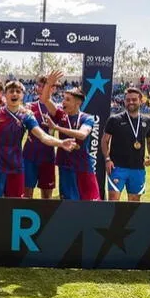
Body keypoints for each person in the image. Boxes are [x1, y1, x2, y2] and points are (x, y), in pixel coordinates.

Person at [0, 79, 75, 198]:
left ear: (23, 95)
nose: (14, 94)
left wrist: (61, 143)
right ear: (5, 95)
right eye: (11, 91)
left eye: (18, 91)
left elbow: (42, 136)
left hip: (15, 168)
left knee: (14, 205)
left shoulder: (26, 116)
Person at [40, 71, 100, 201]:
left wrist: (56, 128)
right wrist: (49, 84)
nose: (63, 102)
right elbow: (45, 100)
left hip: (83, 165)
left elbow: (82, 135)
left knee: (90, 201)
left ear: (77, 103)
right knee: (68, 201)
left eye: (67, 99)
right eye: (63, 99)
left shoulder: (87, 118)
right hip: (65, 164)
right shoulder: (60, 114)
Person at [102, 87, 150, 201]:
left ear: (141, 101)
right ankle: (115, 220)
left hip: (138, 168)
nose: (131, 102)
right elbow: (104, 141)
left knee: (134, 203)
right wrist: (107, 159)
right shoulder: (114, 119)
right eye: (128, 99)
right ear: (124, 101)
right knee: (113, 201)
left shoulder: (148, 121)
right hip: (117, 167)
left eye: (134, 99)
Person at [23, 75, 58, 199]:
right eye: (39, 85)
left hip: (47, 156)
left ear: (53, 88)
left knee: (47, 196)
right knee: (26, 194)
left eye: (44, 85)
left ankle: (46, 218)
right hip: (29, 155)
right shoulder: (29, 106)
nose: (40, 88)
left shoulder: (57, 108)